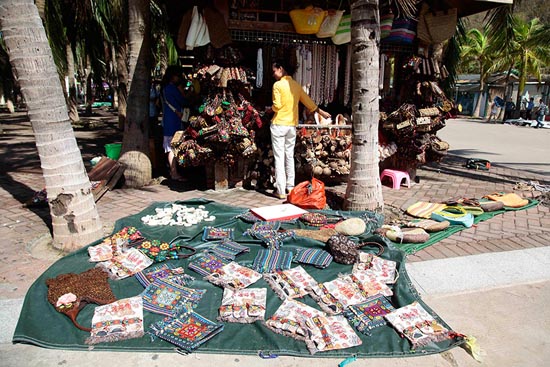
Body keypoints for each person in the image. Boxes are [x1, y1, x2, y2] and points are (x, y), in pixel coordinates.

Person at [270, 59, 331, 199]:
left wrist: (271, 109)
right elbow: (308, 102)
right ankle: (290, 188)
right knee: (289, 156)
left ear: (281, 69)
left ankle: (280, 190)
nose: (273, 74)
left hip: (279, 124)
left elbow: (277, 106)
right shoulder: (296, 86)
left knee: (279, 158)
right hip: (291, 126)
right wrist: (321, 112)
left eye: (274, 71)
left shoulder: (277, 85)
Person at [161, 65, 189, 181]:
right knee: (172, 147)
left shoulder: (164, 88)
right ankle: (174, 173)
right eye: (178, 76)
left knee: (170, 147)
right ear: (172, 76)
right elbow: (183, 101)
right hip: (173, 121)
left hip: (168, 120)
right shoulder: (171, 88)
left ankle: (174, 172)